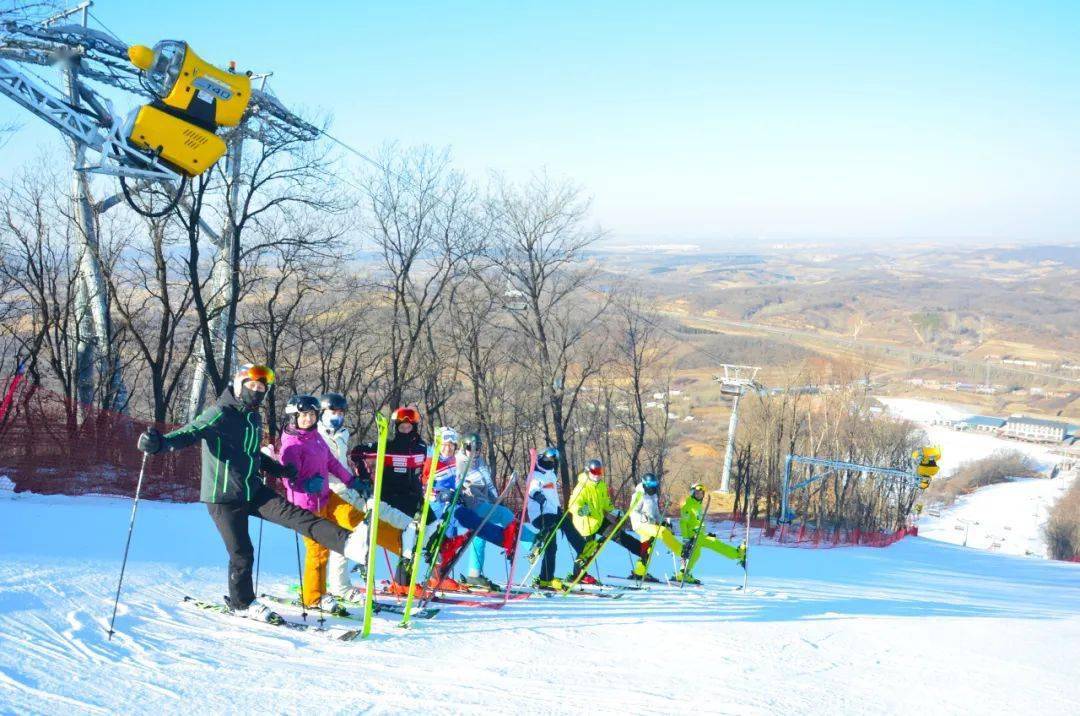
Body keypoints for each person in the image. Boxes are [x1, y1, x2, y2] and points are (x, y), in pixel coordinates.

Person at [136, 364, 369, 622]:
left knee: (298, 516)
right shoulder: (219, 413)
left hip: (252, 490)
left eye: (261, 388)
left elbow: (252, 453)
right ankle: (242, 602)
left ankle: (349, 543)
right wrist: (160, 443)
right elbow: (191, 432)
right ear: (239, 385)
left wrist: (278, 470)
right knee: (242, 552)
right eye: (252, 386)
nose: (257, 391)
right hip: (223, 497)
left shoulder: (252, 418)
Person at [275, 394, 364, 611]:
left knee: (326, 544)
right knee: (317, 549)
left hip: (323, 499)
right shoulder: (291, 443)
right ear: (294, 416)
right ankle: (313, 598)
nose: (308, 418)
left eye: (312, 414)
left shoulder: (314, 437)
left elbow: (332, 463)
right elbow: (287, 478)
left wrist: (351, 481)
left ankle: (321, 591)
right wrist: (305, 485)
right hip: (304, 506)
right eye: (304, 415)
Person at [451, 433, 529, 590]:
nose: (474, 452)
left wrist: (497, 500)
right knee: (505, 515)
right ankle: (531, 542)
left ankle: (474, 574)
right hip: (471, 505)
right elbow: (453, 483)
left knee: (479, 538)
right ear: (463, 447)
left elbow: (489, 484)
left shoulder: (480, 462)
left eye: (478, 448)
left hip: (483, 503)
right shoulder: (458, 462)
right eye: (470, 448)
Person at [564, 458, 642, 586]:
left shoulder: (601, 485)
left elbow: (605, 502)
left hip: (599, 520)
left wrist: (614, 511)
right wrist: (582, 510)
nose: (597, 474)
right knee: (586, 551)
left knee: (617, 534)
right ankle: (577, 575)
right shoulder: (581, 487)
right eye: (594, 471)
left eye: (600, 471)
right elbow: (572, 505)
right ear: (588, 471)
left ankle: (642, 550)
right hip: (586, 524)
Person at [316, 391, 362, 598]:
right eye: (333, 411)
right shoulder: (315, 434)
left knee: (347, 537)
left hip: (343, 491)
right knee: (321, 540)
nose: (338, 416)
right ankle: (318, 585)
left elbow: (340, 463)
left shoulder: (343, 433)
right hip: (322, 492)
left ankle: (339, 584)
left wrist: (354, 479)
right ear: (322, 412)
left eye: (341, 412)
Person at [419, 426, 465, 590]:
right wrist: (440, 495)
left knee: (455, 536)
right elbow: (423, 485)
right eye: (445, 444)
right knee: (438, 539)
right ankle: (434, 576)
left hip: (450, 506)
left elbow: (456, 482)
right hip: (435, 507)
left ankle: (441, 575)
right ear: (438, 444)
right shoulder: (431, 461)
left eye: (452, 445)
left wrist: (460, 493)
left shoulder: (453, 461)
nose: (449, 448)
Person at [676, 482, 746, 584]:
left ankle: (683, 574)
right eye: (696, 493)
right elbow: (683, 522)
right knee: (715, 544)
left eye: (701, 493)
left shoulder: (697, 505)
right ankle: (738, 554)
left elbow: (697, 521)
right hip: (693, 536)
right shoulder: (689, 505)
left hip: (699, 534)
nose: (699, 495)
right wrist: (686, 538)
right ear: (692, 493)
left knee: (695, 556)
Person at [627, 473, 683, 582]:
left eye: (654, 484)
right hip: (640, 525)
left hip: (650, 526)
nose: (653, 486)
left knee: (647, 549)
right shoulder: (639, 495)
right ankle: (681, 551)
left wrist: (663, 522)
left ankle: (640, 572)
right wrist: (645, 518)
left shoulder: (653, 496)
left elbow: (656, 513)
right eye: (650, 484)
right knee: (662, 531)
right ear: (645, 484)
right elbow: (633, 512)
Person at [527, 447, 565, 590]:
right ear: (542, 458)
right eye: (548, 459)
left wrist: (559, 509)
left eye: (553, 460)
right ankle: (536, 547)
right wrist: (538, 496)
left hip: (551, 513)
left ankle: (546, 578)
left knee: (552, 546)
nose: (550, 462)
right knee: (550, 544)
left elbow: (553, 497)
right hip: (539, 514)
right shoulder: (536, 474)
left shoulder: (551, 475)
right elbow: (532, 489)